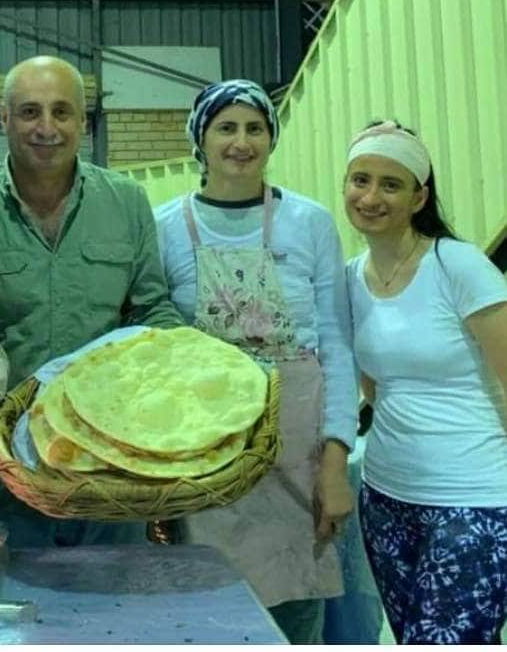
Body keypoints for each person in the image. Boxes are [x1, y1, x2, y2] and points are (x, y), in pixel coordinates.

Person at [153, 79, 357, 645]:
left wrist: (336, 462)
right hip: (206, 462)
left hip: (298, 461)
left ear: (270, 138)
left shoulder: (310, 223)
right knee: (207, 619)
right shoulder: (165, 225)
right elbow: (157, 359)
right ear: (201, 140)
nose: (241, 142)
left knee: (294, 624)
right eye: (226, 128)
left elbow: (337, 345)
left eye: (254, 128)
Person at [0, 55, 183, 547]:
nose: (46, 128)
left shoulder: (125, 202)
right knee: (11, 610)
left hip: (107, 467)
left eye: (62, 112)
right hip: (1, 472)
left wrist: (182, 357)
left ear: (83, 121)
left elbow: (151, 309)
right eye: (29, 112)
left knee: (113, 613)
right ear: (3, 118)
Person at [343, 120, 507, 644]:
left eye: (390, 184)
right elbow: (375, 387)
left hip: (475, 499)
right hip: (386, 496)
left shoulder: (458, 266)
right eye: (360, 180)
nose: (371, 196)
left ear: (419, 198)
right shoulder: (349, 277)